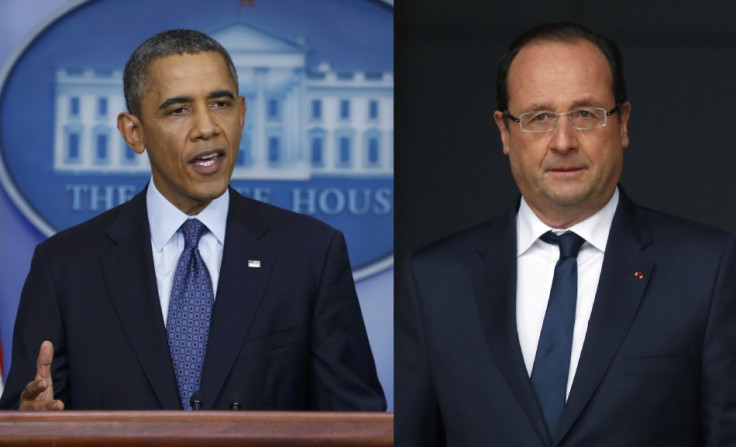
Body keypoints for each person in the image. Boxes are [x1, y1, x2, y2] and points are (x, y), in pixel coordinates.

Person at [0, 29, 385, 412]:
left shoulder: (310, 254)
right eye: (178, 109)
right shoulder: (65, 265)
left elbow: (356, 421)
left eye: (220, 104)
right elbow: (29, 409)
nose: (206, 127)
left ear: (243, 114)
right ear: (134, 132)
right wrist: (30, 423)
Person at [396, 22, 736, 446]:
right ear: (505, 131)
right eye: (539, 117)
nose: (562, 141)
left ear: (623, 123)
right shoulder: (433, 281)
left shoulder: (708, 270)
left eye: (585, 114)